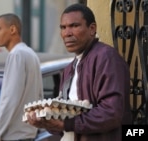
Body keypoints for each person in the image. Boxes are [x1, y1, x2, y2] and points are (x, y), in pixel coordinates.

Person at [27, 3, 132, 141]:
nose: (67, 33)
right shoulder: (69, 68)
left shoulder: (106, 57)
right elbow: (65, 121)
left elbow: (111, 112)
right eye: (63, 27)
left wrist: (68, 123)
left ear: (92, 29)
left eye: (74, 26)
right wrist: (47, 122)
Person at [0, 13, 43, 141]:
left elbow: (10, 99)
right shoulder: (30, 54)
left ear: (12, 29)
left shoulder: (16, 55)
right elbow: (39, 96)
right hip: (28, 135)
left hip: (15, 137)